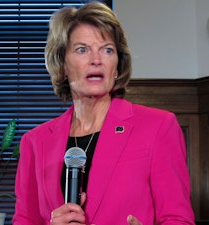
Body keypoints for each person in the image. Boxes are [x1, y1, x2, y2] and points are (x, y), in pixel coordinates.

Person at [12, 1, 195, 225]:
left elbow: (178, 219)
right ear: (63, 65)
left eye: (107, 50)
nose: (96, 60)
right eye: (82, 49)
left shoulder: (158, 126)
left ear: (117, 66)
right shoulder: (35, 142)